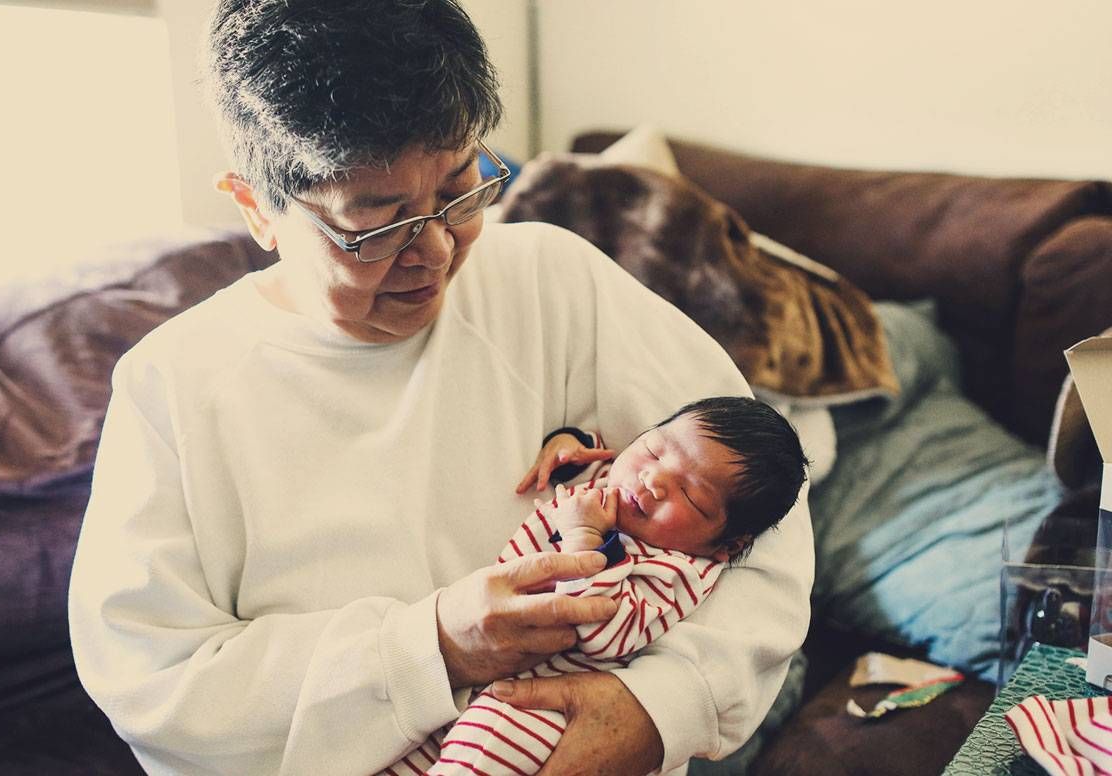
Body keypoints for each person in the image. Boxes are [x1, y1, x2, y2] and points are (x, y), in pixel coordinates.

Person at [66, 2, 814, 774]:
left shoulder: (554, 281)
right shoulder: (173, 388)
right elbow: (153, 683)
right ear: (257, 208)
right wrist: (432, 648)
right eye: (376, 226)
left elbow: (766, 521)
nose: (434, 251)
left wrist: (662, 705)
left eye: (459, 192)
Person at [387, 396, 809, 775]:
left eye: (691, 494)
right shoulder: (613, 480)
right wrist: (566, 444)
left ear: (726, 545)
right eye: (655, 449)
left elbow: (607, 634)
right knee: (402, 748)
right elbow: (592, 452)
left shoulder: (676, 570)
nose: (653, 480)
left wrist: (585, 541)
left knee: (484, 739)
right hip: (479, 676)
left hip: (543, 709)